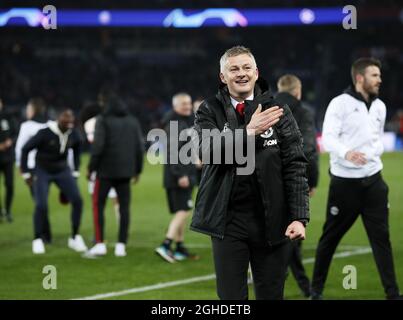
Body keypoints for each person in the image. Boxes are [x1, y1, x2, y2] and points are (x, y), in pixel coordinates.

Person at [190, 46, 309, 300]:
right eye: (233, 69)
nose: (241, 73)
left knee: (271, 295)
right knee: (231, 299)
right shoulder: (208, 110)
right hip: (227, 221)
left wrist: (299, 217)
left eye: (246, 68)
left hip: (272, 220)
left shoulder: (278, 111)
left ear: (256, 73)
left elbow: (295, 164)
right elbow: (208, 152)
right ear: (223, 77)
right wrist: (248, 132)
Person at [311, 57, 402, 300]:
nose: (379, 79)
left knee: (382, 240)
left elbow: (375, 139)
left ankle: (393, 294)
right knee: (329, 239)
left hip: (374, 183)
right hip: (344, 185)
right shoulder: (339, 104)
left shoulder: (380, 107)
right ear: (360, 78)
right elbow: (328, 139)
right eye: (375, 75)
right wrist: (346, 153)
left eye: (379, 75)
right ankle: (315, 291)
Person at [276, 74, 319, 297]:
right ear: (298, 91)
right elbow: (309, 151)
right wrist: (311, 181)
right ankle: (305, 287)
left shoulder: (268, 107)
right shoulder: (303, 112)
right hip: (293, 184)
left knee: (281, 238)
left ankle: (304, 287)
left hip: (269, 185)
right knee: (292, 238)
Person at [21, 109, 86, 254]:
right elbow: (25, 149)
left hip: (62, 170)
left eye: (71, 121)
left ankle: (75, 237)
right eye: (66, 120)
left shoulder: (73, 133)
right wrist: (26, 173)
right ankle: (37, 239)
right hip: (42, 170)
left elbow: (77, 148)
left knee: (77, 200)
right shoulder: (45, 132)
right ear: (58, 119)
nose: (69, 124)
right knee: (41, 205)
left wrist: (75, 171)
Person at [87, 94, 144, 257]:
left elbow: (98, 146)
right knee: (124, 208)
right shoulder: (132, 121)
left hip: (105, 172)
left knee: (98, 206)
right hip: (125, 172)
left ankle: (100, 244)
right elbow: (139, 147)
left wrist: (91, 168)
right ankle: (121, 246)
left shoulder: (102, 120)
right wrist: (137, 170)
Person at [155, 93, 199, 263]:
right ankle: (166, 245)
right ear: (175, 106)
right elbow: (172, 152)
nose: (187, 106)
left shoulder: (183, 121)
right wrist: (181, 174)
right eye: (183, 104)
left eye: (188, 103)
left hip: (183, 173)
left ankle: (179, 247)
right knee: (184, 210)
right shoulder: (174, 124)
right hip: (179, 176)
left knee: (182, 209)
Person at [15, 97, 51, 239]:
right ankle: (46, 234)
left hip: (32, 168)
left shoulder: (27, 126)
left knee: (39, 202)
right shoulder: (50, 124)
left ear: (33, 110)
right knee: (41, 201)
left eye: (28, 109)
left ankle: (43, 235)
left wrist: (21, 167)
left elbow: (20, 148)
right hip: (48, 167)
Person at [79, 103, 120, 223]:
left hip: (100, 166)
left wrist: (91, 167)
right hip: (116, 164)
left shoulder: (90, 124)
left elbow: (96, 145)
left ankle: (98, 235)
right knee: (117, 201)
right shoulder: (113, 121)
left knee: (97, 203)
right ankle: (122, 233)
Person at [0, 98, 16, 223]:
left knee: (10, 185)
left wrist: (10, 141)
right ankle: (0, 212)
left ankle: (8, 210)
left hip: (8, 157)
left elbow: (16, 133)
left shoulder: (8, 117)